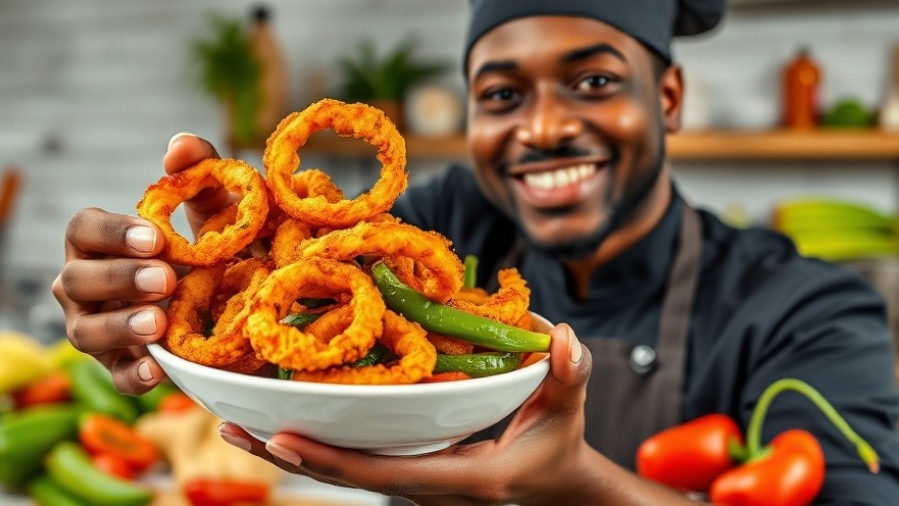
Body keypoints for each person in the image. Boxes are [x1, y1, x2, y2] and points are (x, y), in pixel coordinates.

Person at [53, 0, 899, 503]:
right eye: (500, 94)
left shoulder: (804, 307)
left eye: (593, 81)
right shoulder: (428, 228)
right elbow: (285, 282)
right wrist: (178, 273)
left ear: (668, 97)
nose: (541, 126)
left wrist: (576, 484)